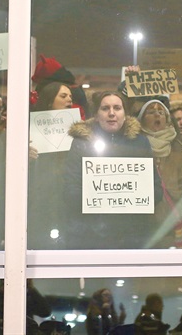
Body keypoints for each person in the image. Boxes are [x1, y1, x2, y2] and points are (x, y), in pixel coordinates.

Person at [64, 91, 162, 249]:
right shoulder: (81, 143)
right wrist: (105, 203)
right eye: (105, 108)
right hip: (91, 237)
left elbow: (156, 190)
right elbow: (70, 190)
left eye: (117, 108)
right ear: (96, 115)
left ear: (125, 114)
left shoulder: (141, 143)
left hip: (132, 237)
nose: (111, 113)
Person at [138, 100, 182, 247]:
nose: (157, 114)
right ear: (142, 119)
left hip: (169, 219)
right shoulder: (133, 145)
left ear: (168, 120)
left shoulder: (180, 150)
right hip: (140, 219)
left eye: (161, 112)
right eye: (151, 112)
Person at [28, 82, 74, 248]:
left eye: (70, 96)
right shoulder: (29, 131)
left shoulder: (80, 132)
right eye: (63, 96)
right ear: (49, 101)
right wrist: (25, 157)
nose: (69, 99)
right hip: (39, 204)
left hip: (67, 203)